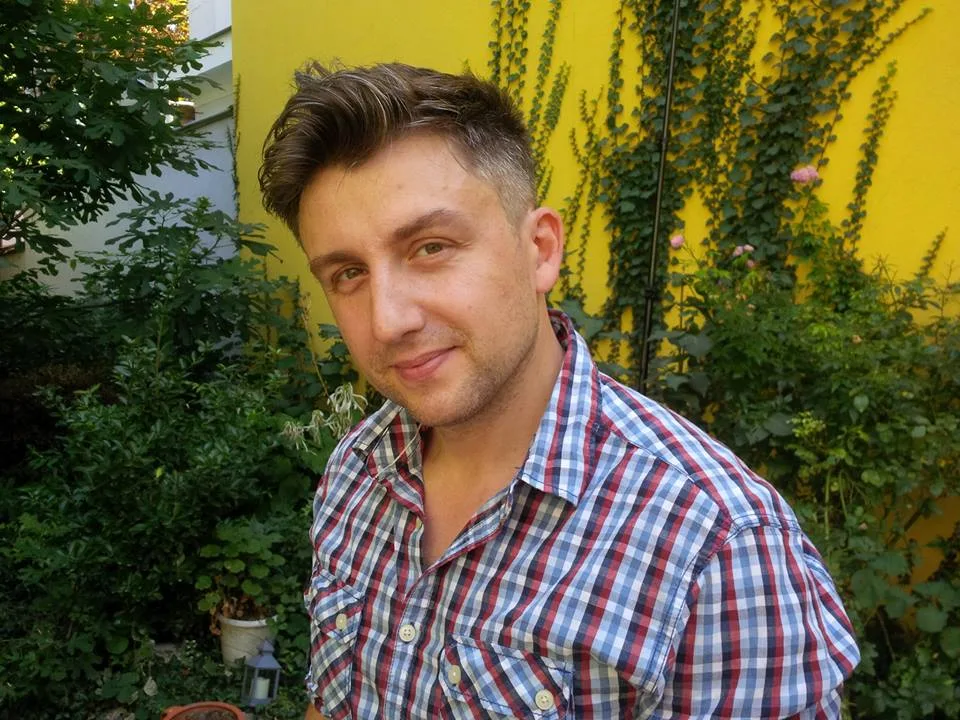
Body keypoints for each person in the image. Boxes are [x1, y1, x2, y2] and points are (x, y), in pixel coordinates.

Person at [259, 62, 860, 720]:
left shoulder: (717, 547)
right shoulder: (358, 470)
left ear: (541, 249)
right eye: (348, 273)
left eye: (431, 247)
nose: (387, 320)